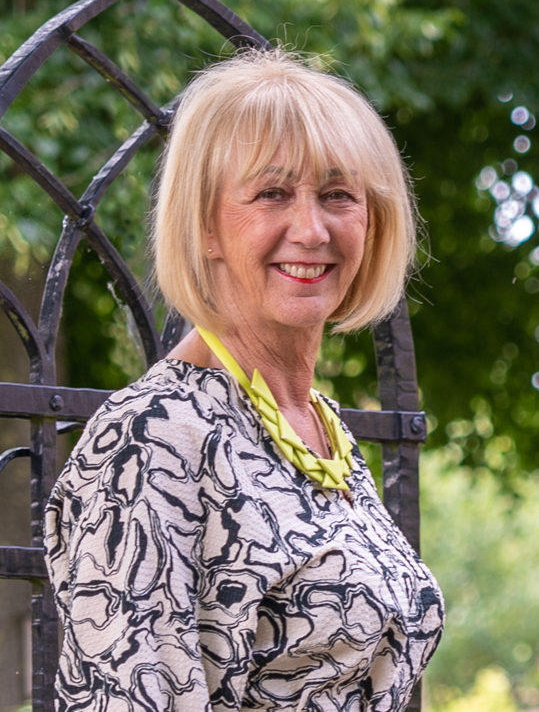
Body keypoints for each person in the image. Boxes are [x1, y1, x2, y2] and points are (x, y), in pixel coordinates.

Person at [44, 49, 444, 712]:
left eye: (338, 195)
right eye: (272, 193)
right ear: (206, 226)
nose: (311, 229)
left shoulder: (320, 429)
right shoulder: (151, 437)